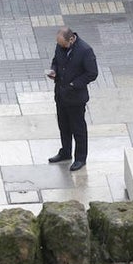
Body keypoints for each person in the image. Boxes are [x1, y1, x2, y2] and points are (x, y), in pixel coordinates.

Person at [47, 26, 99, 171]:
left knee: (78, 129)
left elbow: (92, 73)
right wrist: (53, 70)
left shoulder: (85, 51)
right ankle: (65, 152)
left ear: (71, 39)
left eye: (63, 44)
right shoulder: (60, 45)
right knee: (63, 126)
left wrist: (74, 84)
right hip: (61, 95)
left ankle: (80, 158)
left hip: (76, 97)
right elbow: (56, 61)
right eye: (59, 44)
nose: (61, 46)